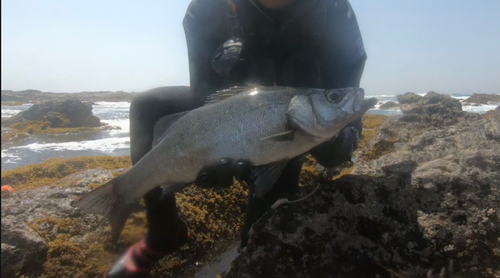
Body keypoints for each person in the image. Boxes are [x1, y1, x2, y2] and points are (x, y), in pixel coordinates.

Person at [106, 0, 366, 277]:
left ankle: (276, 190)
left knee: (257, 249)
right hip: (236, 114)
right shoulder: (205, 8)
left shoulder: (335, 10)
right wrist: (214, 146)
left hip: (296, 122)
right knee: (148, 107)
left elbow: (347, 98)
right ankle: (164, 231)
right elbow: (202, 96)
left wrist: (337, 139)